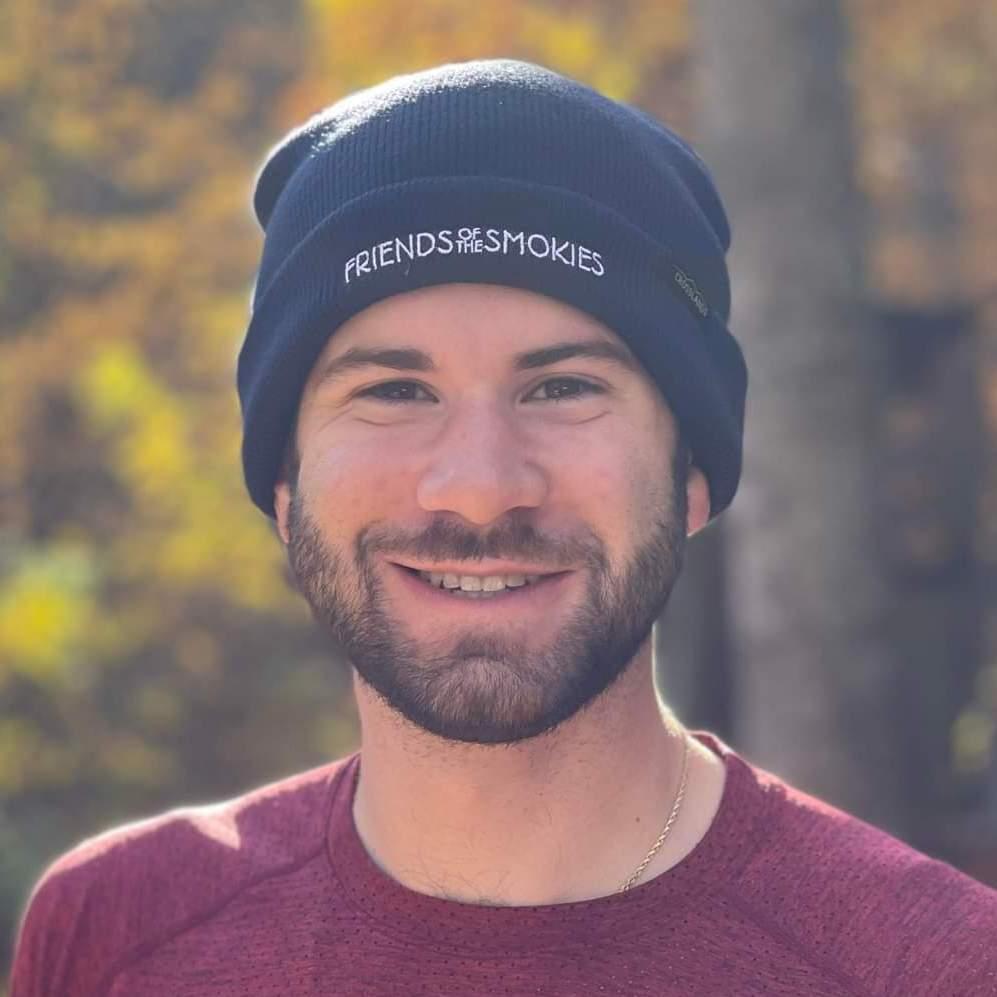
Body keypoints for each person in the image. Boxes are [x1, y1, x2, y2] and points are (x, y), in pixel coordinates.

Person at [9, 58, 997, 997]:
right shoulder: (118, 934)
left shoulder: (930, 968)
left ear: (692, 476)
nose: (480, 490)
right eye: (394, 390)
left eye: (562, 387)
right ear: (284, 485)